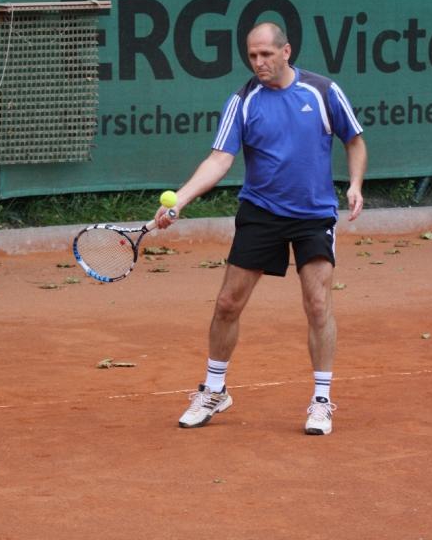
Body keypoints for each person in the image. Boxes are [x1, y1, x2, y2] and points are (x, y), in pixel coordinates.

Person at [155, 21, 367, 435]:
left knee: (317, 304)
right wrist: (180, 200)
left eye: (266, 54)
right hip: (261, 211)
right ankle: (214, 390)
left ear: (286, 52)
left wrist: (355, 184)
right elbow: (219, 158)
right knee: (227, 303)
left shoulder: (322, 92)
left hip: (313, 214)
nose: (259, 62)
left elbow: (354, 140)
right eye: (252, 55)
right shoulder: (243, 101)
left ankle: (321, 401)